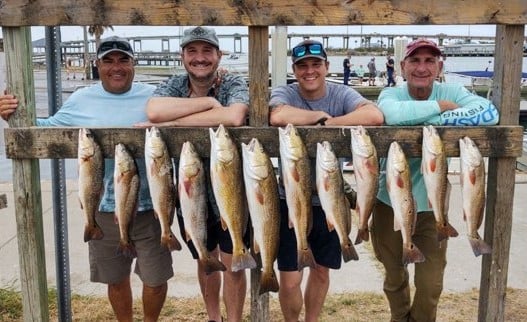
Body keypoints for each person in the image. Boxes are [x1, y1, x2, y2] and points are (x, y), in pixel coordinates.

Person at [0, 36, 173, 322]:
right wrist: (12, 113)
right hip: (101, 206)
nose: (116, 67)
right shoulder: (81, 97)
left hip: (151, 206)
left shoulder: (155, 96)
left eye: (123, 60)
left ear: (133, 64)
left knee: (155, 279)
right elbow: (45, 129)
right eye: (108, 61)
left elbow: (189, 115)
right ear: (97, 65)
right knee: (115, 279)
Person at [372, 38, 499, 322]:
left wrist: (430, 113)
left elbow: (489, 114)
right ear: (403, 67)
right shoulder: (391, 94)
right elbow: (390, 115)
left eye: (430, 60)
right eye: (415, 61)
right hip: (388, 203)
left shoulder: (454, 88)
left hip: (433, 210)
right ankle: (399, 318)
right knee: (394, 277)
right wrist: (442, 107)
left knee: (431, 284)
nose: (422, 67)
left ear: (440, 66)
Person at [268, 39, 384, 322]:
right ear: (295, 70)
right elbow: (277, 115)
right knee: (290, 279)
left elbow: (374, 114)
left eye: (315, 65)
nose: (310, 71)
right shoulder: (285, 91)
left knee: (321, 271)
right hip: (289, 201)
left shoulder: (341, 92)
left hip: (329, 200)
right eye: (303, 66)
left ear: (326, 66)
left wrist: (327, 125)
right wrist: (319, 116)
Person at [141, 26, 249, 322]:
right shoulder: (174, 84)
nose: (199, 58)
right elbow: (154, 111)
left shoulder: (233, 82)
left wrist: (175, 123)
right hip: (190, 190)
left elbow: (235, 115)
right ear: (182, 56)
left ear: (218, 55)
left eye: (206, 51)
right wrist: (210, 104)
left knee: (234, 261)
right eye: (192, 51)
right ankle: (214, 317)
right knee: (206, 258)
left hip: (231, 189)